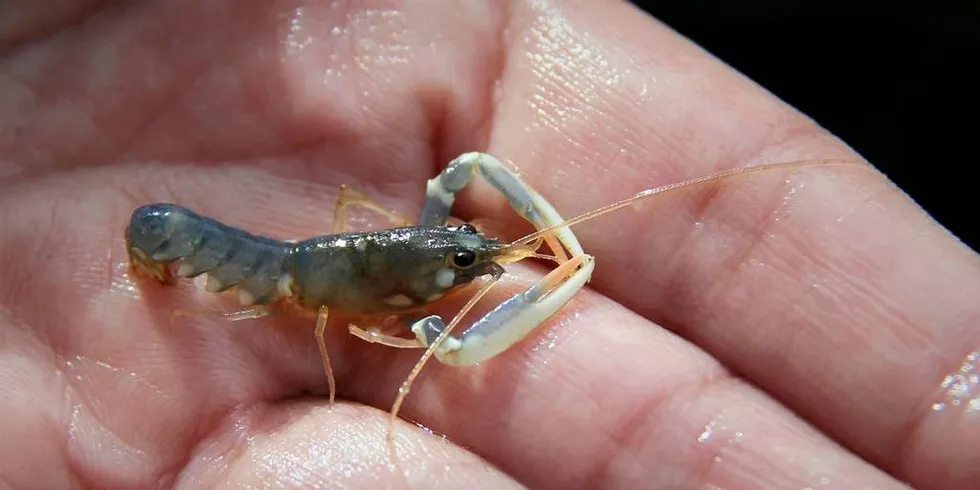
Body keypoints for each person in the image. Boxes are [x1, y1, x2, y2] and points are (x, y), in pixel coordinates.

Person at [0, 1, 976, 488]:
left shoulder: (419, 253)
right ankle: (154, 250)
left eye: (464, 252)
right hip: (256, 265)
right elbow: (447, 345)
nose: (472, 257)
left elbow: (456, 186)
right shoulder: (392, 302)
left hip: (299, 258)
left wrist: (488, 252)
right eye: (462, 256)